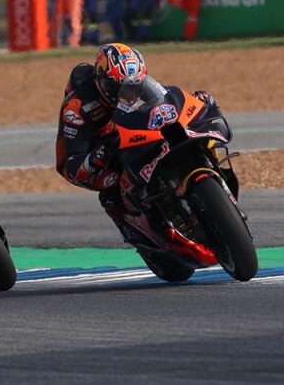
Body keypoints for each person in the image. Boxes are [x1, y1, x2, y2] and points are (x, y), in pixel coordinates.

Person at [55, 43, 216, 246]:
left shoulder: (135, 83)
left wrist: (194, 101)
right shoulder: (77, 107)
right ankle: (134, 232)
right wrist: (95, 158)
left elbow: (163, 100)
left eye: (134, 85)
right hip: (95, 151)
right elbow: (69, 164)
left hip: (129, 132)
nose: (127, 92)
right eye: (116, 87)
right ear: (101, 81)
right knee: (112, 185)